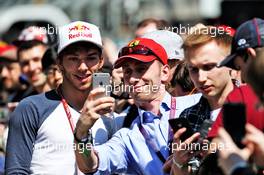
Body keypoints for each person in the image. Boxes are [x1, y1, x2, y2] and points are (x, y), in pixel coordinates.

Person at [5, 21, 119, 174]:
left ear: (101, 61)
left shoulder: (108, 112)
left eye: (91, 58)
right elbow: (15, 171)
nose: (83, 67)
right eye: (73, 59)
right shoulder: (31, 108)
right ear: (59, 62)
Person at [74, 36, 198, 174]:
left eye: (141, 69)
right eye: (127, 71)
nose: (132, 79)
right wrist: (81, 134)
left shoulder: (196, 104)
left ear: (164, 72)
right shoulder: (127, 137)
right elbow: (89, 165)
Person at [170, 26, 235, 174]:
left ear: (230, 63)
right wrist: (179, 163)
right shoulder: (187, 116)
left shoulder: (253, 107)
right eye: (193, 69)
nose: (200, 78)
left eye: (209, 66)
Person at [208, 18, 264, 139]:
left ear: (251, 54)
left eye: (239, 67)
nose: (241, 75)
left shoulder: (240, 96)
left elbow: (215, 151)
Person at [15, 26, 51, 94]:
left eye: (36, 60)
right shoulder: (22, 100)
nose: (32, 68)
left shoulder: (70, 96)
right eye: (25, 63)